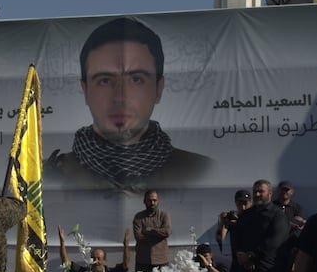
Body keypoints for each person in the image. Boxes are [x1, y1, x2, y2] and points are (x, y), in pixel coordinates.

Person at [44, 16, 211, 191]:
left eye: (137, 79)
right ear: (85, 91)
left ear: (158, 89)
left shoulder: (197, 169)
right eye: (105, 81)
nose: (120, 97)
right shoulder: (49, 172)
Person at [132, 189, 171, 272]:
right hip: (143, 262)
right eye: (150, 200)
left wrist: (150, 230)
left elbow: (167, 232)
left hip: (161, 262)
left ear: (158, 201)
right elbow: (138, 236)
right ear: (144, 201)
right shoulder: (139, 217)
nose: (152, 203)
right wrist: (158, 234)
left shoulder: (163, 215)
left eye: (155, 200)